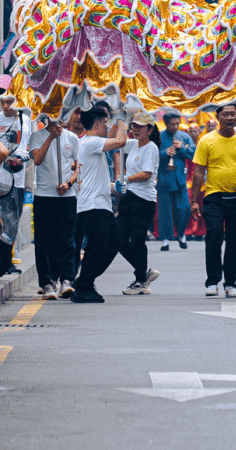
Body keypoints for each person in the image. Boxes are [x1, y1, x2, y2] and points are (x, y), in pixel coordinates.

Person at [191, 103, 236, 297]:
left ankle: (230, 283)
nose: (230, 118)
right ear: (217, 117)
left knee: (235, 240)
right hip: (214, 197)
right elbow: (199, 172)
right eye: (226, 114)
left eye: (233, 114)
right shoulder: (206, 140)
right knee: (214, 237)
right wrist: (194, 200)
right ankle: (212, 281)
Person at [72, 104, 128, 302]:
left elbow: (94, 178)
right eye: (105, 122)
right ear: (96, 124)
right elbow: (121, 140)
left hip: (99, 204)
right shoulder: (90, 142)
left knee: (112, 245)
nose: (107, 126)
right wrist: (122, 118)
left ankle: (83, 281)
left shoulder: (90, 143)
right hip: (94, 206)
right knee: (97, 248)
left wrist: (114, 186)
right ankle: (83, 287)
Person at [28, 112, 80, 298]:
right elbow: (37, 160)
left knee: (67, 240)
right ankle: (47, 282)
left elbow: (79, 166)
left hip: (66, 197)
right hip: (44, 196)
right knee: (43, 241)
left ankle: (67, 279)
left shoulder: (72, 138)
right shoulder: (37, 136)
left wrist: (69, 183)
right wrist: (51, 137)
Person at [117, 112, 162, 295]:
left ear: (150, 129)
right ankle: (144, 272)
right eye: (134, 126)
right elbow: (116, 141)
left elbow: (146, 174)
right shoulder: (133, 144)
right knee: (119, 240)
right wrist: (119, 120)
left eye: (140, 127)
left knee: (137, 239)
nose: (135, 130)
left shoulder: (151, 148)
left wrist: (124, 178)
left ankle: (141, 280)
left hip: (144, 199)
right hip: (129, 196)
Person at [0, 91, 30, 277]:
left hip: (16, 180)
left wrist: (22, 157)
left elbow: (26, 146)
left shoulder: (25, 120)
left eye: (10, 102)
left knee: (12, 223)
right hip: (1, 178)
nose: (6, 106)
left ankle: (6, 261)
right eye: (2, 103)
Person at [157, 110, 195, 250]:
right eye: (172, 124)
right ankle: (165, 239)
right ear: (166, 123)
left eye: (177, 123)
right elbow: (152, 154)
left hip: (180, 179)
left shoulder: (184, 136)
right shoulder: (159, 136)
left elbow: (193, 153)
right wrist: (164, 153)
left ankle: (181, 234)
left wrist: (182, 148)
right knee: (165, 210)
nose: (175, 126)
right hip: (164, 178)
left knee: (184, 208)